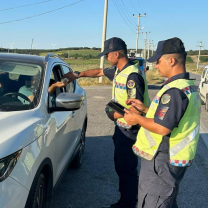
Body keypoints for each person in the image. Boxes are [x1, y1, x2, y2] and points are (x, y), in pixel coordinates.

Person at [64, 37, 150, 208]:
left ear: (116, 54)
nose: (106, 58)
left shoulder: (131, 75)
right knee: (121, 166)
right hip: (122, 129)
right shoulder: (119, 70)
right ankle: (125, 200)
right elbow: (99, 72)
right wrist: (77, 75)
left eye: (107, 55)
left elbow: (137, 109)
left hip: (130, 130)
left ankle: (128, 203)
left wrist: (112, 114)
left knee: (127, 169)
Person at [123, 37, 201, 208]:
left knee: (153, 201)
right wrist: (145, 109)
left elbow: (162, 127)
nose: (156, 66)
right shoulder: (186, 86)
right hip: (171, 159)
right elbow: (171, 118)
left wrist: (136, 118)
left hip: (161, 160)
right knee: (166, 201)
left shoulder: (174, 90)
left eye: (158, 61)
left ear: (171, 60)